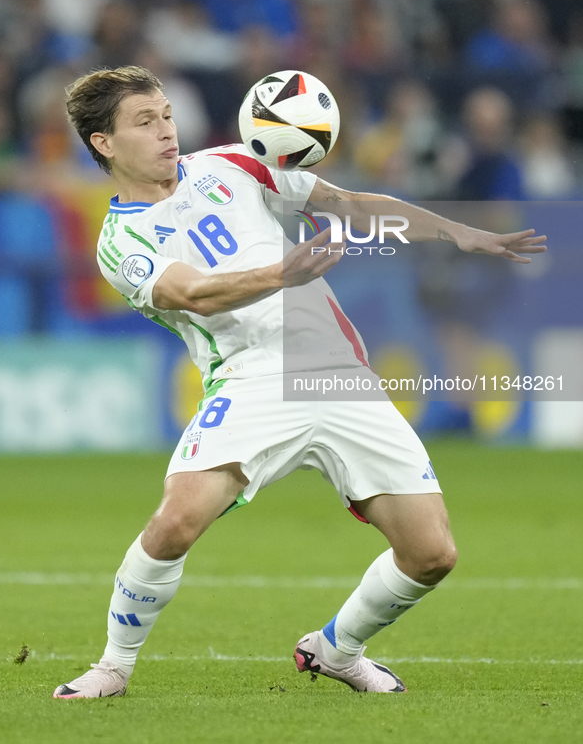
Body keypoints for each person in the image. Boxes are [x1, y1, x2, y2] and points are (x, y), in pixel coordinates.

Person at [53, 66, 546, 699]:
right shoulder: (121, 239)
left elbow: (350, 204)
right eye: (145, 123)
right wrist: (277, 277)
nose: (167, 132)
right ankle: (113, 667)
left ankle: (337, 649)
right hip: (249, 377)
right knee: (175, 522)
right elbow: (193, 293)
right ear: (104, 143)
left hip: (342, 374)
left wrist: (454, 230)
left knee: (432, 554)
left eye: (168, 116)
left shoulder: (236, 163)